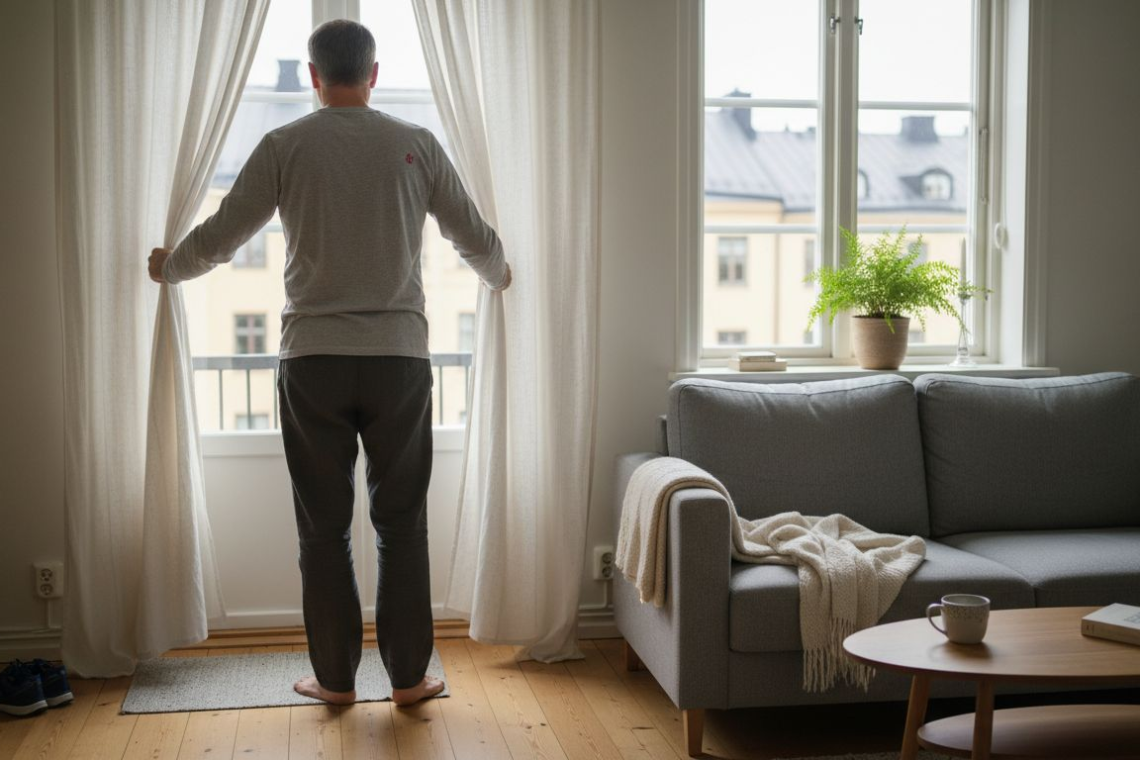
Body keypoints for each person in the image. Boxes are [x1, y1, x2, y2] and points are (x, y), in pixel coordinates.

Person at [148, 19, 510, 707]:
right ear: (374, 74)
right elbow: (473, 236)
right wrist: (501, 274)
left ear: (314, 77)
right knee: (402, 526)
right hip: (398, 362)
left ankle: (336, 681)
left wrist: (171, 268)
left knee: (323, 527)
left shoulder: (286, 144)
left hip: (312, 362)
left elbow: (223, 237)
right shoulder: (416, 144)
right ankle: (408, 680)